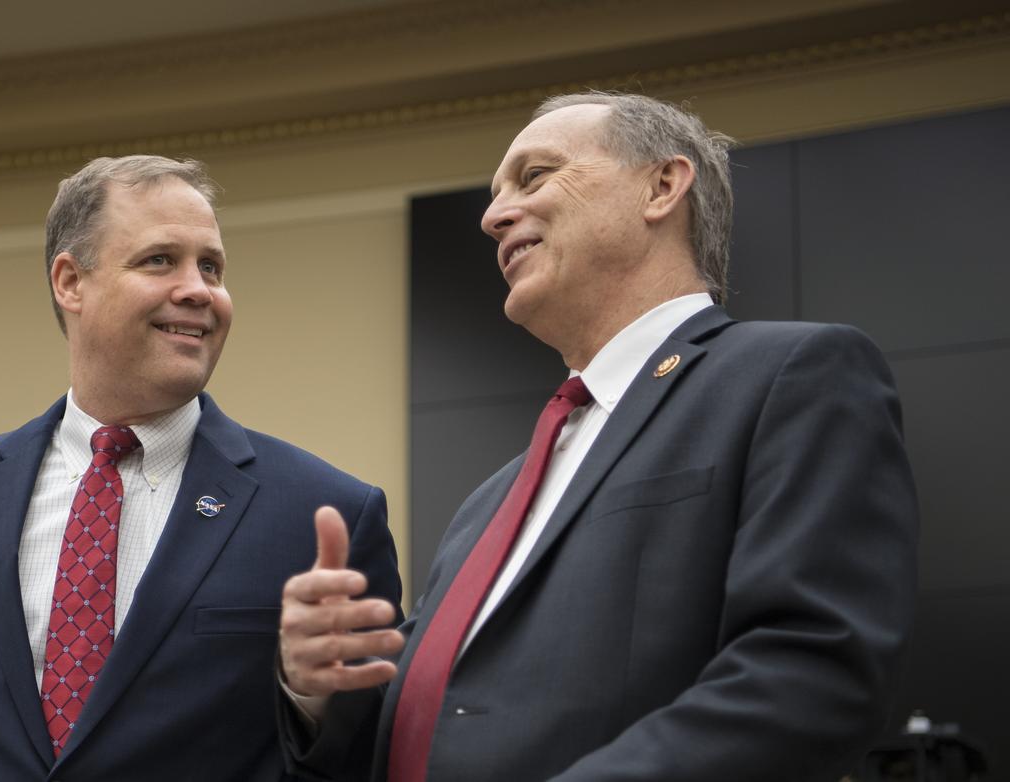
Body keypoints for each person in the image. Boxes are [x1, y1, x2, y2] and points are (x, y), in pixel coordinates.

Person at [277, 91, 918, 781]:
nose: (492, 218)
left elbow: (811, 671)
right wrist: (319, 689)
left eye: (533, 176)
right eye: (496, 195)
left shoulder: (791, 377)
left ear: (661, 186)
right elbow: (441, 710)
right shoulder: (490, 502)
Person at [0, 155, 401, 782]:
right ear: (70, 282)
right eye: (159, 260)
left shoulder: (323, 514)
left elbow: (380, 758)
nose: (200, 289)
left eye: (212, 267)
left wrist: (315, 703)